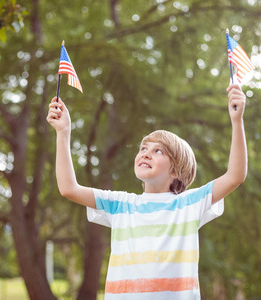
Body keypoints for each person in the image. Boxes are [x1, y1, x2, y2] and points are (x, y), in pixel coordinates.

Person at [46, 83, 247, 299]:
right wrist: (63, 132)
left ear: (176, 170)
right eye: (143, 149)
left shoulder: (189, 204)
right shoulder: (120, 204)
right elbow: (69, 188)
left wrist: (237, 121)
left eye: (158, 151)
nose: (146, 154)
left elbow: (235, 176)